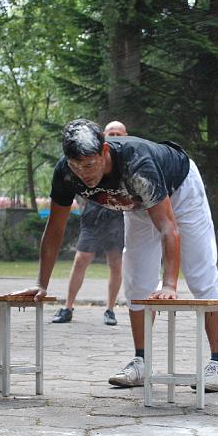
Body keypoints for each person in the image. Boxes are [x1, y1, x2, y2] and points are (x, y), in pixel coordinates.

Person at [22, 120, 218, 391]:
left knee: (199, 273)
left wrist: (169, 284)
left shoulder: (136, 163)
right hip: (136, 203)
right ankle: (142, 361)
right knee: (136, 280)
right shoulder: (65, 172)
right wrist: (42, 283)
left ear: (105, 151)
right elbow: (54, 229)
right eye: (76, 166)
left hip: (180, 190)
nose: (83, 174)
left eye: (89, 165)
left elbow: (169, 227)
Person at [53, 121, 128, 326]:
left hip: (119, 215)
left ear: (125, 136)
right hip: (94, 213)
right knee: (81, 259)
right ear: (103, 136)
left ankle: (110, 310)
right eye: (111, 133)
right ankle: (67, 307)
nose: (115, 136)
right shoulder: (90, 157)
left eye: (118, 134)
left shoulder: (127, 160)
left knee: (115, 262)